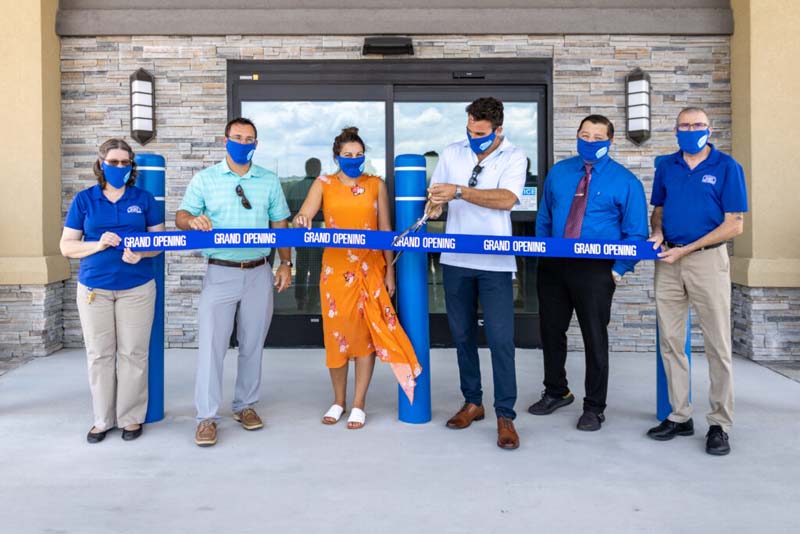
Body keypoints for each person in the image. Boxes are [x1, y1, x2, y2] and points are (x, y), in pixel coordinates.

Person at [293, 127, 421, 429]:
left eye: (359, 155)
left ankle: (359, 403)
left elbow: (386, 229)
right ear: (336, 156)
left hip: (370, 269)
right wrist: (303, 219)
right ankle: (338, 400)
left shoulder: (376, 184)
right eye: (347, 155)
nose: (354, 160)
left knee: (365, 338)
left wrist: (390, 270)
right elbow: (304, 214)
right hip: (336, 272)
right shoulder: (324, 184)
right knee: (336, 337)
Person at [175, 117, 293, 447]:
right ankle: (206, 417)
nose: (243, 143)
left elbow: (279, 223)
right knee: (212, 347)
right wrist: (191, 221)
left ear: (257, 144)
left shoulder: (269, 180)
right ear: (225, 139)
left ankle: (245, 406)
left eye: (250, 138)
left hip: (259, 270)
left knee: (252, 344)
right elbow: (181, 216)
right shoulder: (206, 179)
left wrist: (286, 263)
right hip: (221, 271)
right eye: (237, 137)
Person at [531, 114, 648, 431]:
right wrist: (544, 255)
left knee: (594, 338)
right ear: (577, 136)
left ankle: (594, 407)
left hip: (596, 270)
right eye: (585, 134)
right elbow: (545, 217)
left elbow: (636, 234)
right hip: (554, 264)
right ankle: (556, 391)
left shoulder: (626, 182)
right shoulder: (560, 173)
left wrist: (618, 271)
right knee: (551, 333)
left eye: (598, 137)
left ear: (610, 141)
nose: (590, 141)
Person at [646, 107, 747, 456]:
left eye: (698, 125)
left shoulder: (726, 167)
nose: (691, 130)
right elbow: (658, 207)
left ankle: (719, 423)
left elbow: (734, 224)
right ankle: (679, 414)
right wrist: (657, 231)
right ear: (675, 130)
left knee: (718, 345)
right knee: (671, 342)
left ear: (709, 129)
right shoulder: (667, 167)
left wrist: (686, 249)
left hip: (706, 261)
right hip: (668, 262)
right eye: (685, 126)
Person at [427, 97, 527, 449]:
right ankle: (473, 402)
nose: (473, 137)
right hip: (455, 259)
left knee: (501, 341)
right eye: (469, 130)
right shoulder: (452, 152)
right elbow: (437, 201)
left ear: (499, 129)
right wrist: (435, 204)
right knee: (462, 335)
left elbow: (506, 199)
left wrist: (459, 191)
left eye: (481, 133)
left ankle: (506, 416)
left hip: (496, 263)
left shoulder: (515, 156)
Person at [60, 138, 165, 443]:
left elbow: (156, 245)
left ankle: (131, 418)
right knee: (99, 355)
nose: (119, 167)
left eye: (125, 162)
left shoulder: (144, 199)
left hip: (137, 288)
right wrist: (98, 243)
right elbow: (67, 246)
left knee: (133, 353)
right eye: (113, 161)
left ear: (131, 166)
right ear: (101, 163)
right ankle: (102, 419)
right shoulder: (85, 200)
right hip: (95, 289)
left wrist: (141, 254)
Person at [287, 157, 323, 312]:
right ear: (318, 169)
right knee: (316, 271)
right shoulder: (322, 188)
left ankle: (300, 300)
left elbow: (288, 215)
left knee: (301, 269)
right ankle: (313, 301)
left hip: (300, 238)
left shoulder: (295, 188)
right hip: (317, 238)